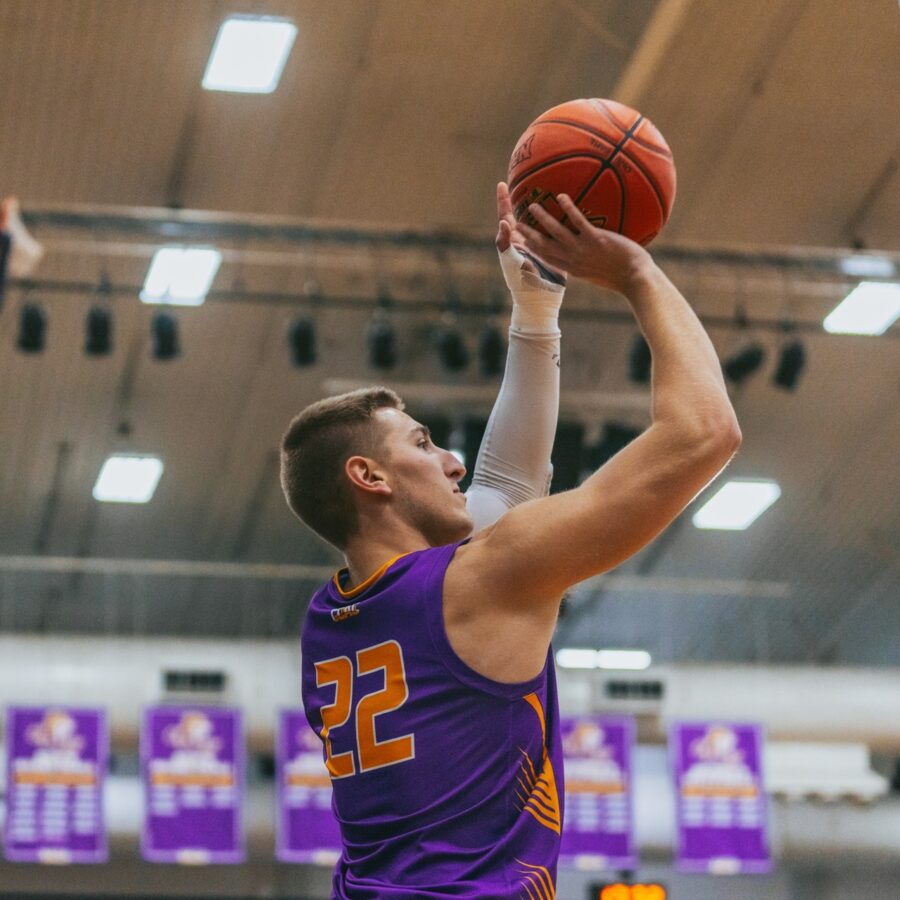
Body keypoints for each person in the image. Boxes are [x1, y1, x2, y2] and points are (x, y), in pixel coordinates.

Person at [280, 191, 742, 899]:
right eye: (423, 443)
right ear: (368, 476)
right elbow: (705, 431)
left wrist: (536, 316)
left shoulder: (330, 621)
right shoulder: (483, 580)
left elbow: (503, 481)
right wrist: (638, 274)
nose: (452, 461)